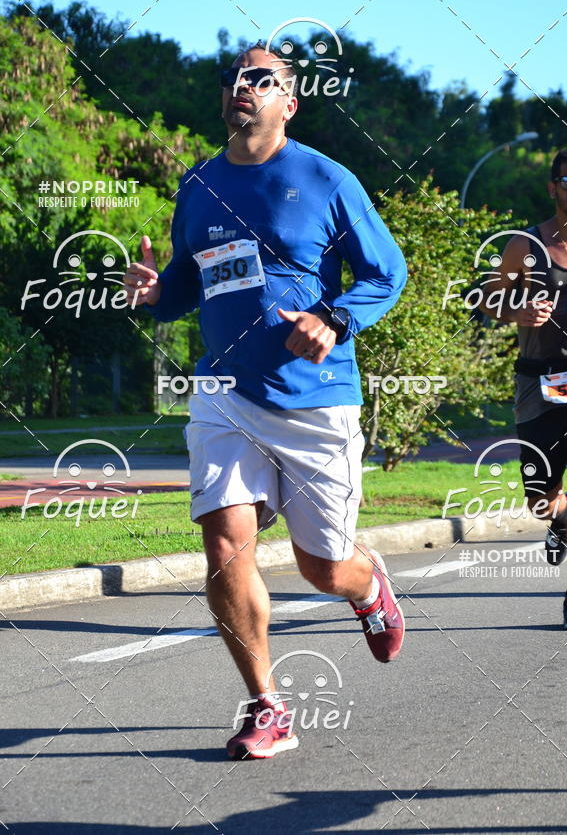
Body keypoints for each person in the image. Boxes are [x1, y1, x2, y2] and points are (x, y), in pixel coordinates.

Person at [123, 43, 407, 758]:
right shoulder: (198, 185)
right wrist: (157, 296)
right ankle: (266, 705)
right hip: (223, 390)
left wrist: (334, 319)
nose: (243, 87)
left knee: (322, 567)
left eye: (262, 79)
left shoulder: (325, 178)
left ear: (290, 101)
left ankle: (366, 583)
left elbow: (386, 274)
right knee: (223, 548)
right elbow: (190, 285)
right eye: (234, 77)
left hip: (316, 398)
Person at [481, 147, 567, 630]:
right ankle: (559, 519)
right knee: (540, 498)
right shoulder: (524, 245)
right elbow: (486, 297)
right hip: (537, 380)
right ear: (553, 187)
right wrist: (516, 312)